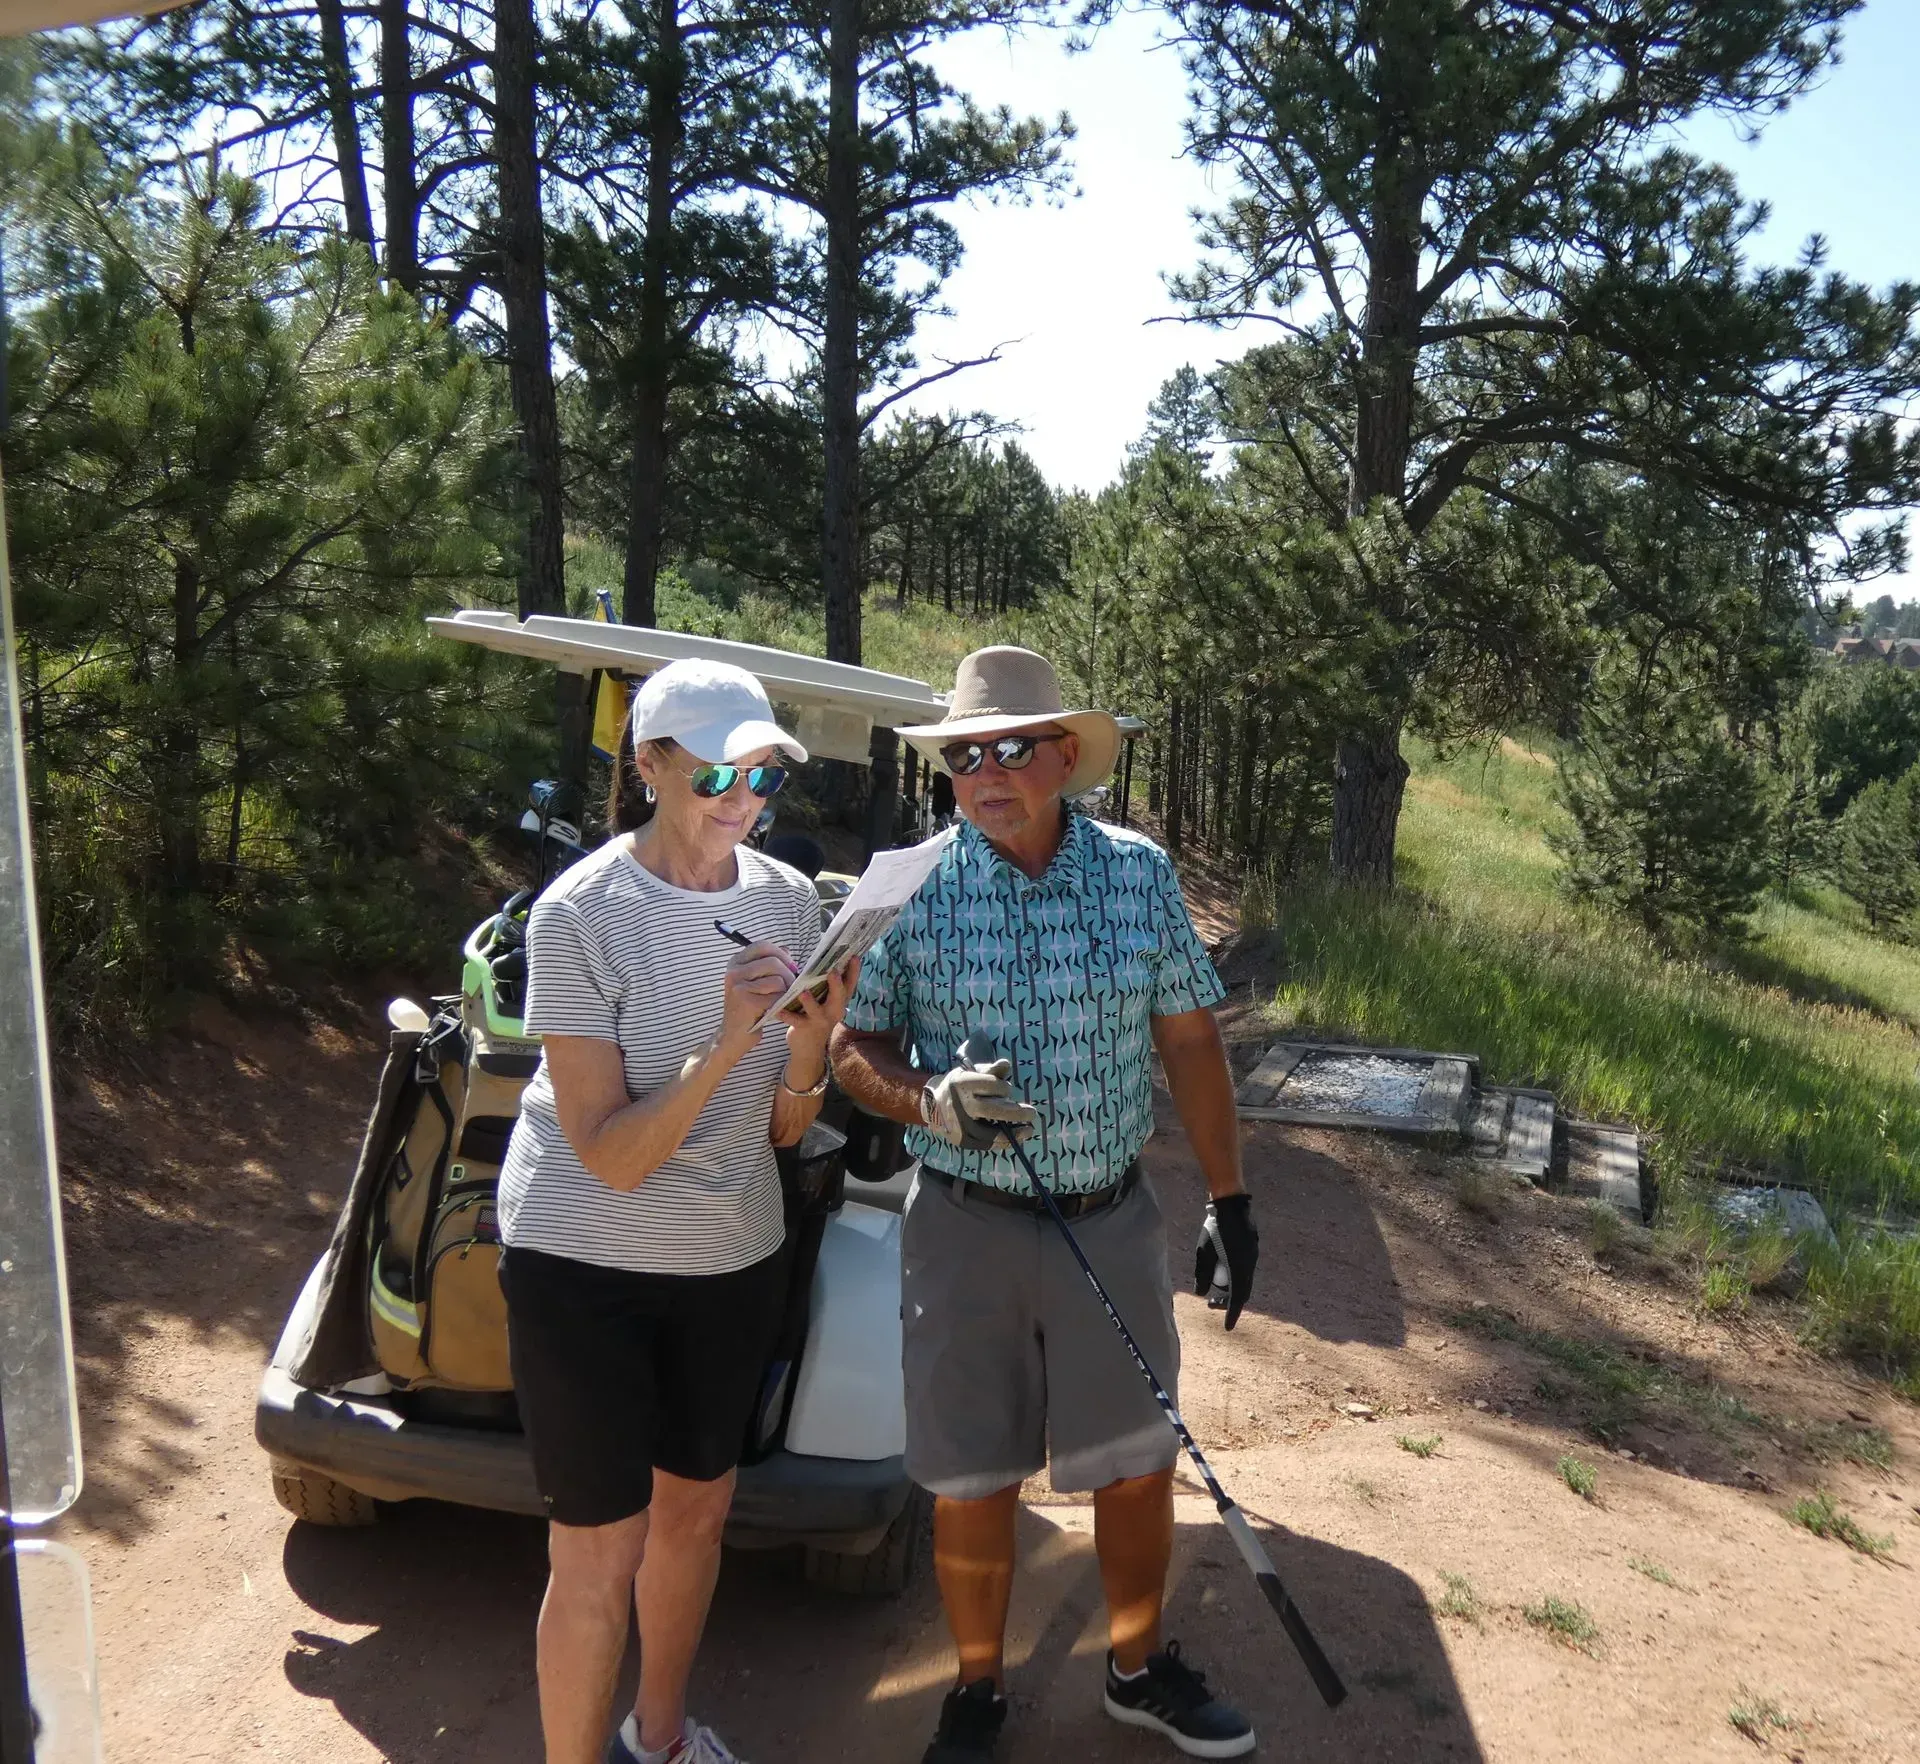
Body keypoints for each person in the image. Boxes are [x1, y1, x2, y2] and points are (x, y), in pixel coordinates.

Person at [830, 646, 1262, 1763]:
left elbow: (1188, 1040)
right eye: (965, 754)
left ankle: (1136, 1668)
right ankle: (976, 1693)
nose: (987, 772)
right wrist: (926, 1099)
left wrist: (1231, 1199)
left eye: (1013, 748)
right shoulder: (911, 884)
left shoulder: (1138, 875)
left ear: (1066, 757)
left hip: (1109, 1220)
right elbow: (852, 1044)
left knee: (1131, 1458)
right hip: (963, 1228)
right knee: (973, 1475)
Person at [497, 658, 857, 1764]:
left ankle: (658, 1740)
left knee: (695, 1517)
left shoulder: (788, 899)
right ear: (648, 766)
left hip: (728, 1257)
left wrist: (806, 1047)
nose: (743, 803)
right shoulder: (580, 914)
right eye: (715, 778)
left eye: (763, 779)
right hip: (584, 1263)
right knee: (599, 1553)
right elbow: (608, 1158)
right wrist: (728, 1042)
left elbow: (786, 1129)